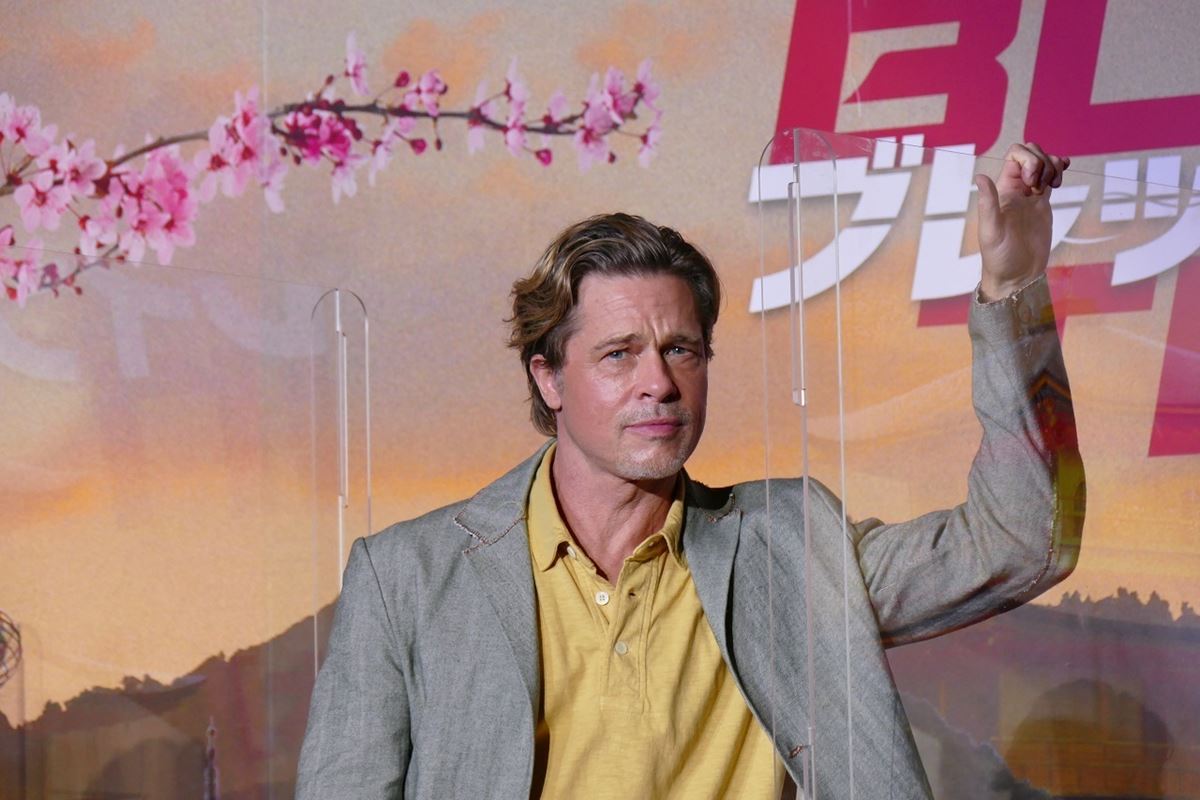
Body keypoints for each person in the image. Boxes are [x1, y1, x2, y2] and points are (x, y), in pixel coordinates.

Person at [295, 143, 1083, 799]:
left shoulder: (793, 547)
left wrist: (1013, 291)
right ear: (548, 378)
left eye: (681, 350)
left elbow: (1023, 542)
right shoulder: (407, 578)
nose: (660, 383)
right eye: (618, 354)